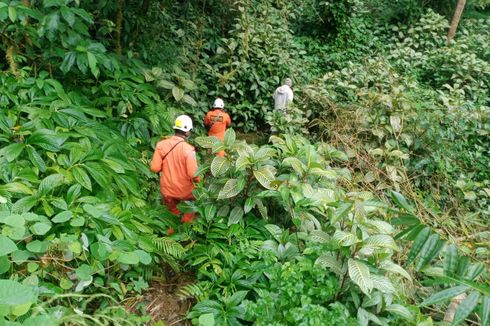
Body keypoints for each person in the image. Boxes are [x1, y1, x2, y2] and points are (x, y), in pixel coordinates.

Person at [150, 115, 199, 227]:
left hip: (167, 190)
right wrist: (198, 180)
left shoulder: (161, 145)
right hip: (185, 192)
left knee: (172, 215)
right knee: (189, 212)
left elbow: (154, 168)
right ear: (187, 132)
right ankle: (185, 234)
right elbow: (194, 174)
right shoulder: (188, 149)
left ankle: (170, 237)